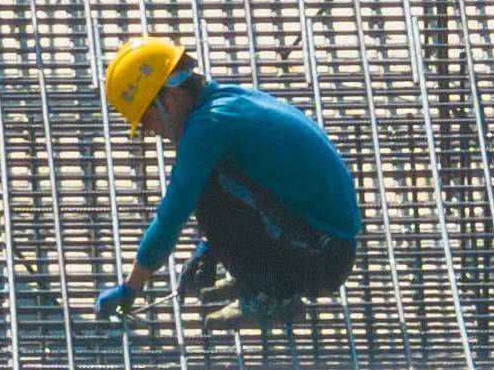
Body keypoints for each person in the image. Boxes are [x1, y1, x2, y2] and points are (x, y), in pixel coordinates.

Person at [93, 38, 360, 328]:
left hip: (321, 260)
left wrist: (132, 287)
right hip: (323, 246)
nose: (153, 131)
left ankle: (275, 297)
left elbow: (171, 216)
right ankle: (260, 279)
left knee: (202, 185)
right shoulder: (228, 102)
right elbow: (262, 187)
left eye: (148, 119)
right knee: (208, 175)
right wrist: (212, 248)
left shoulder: (208, 127)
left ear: (172, 97)